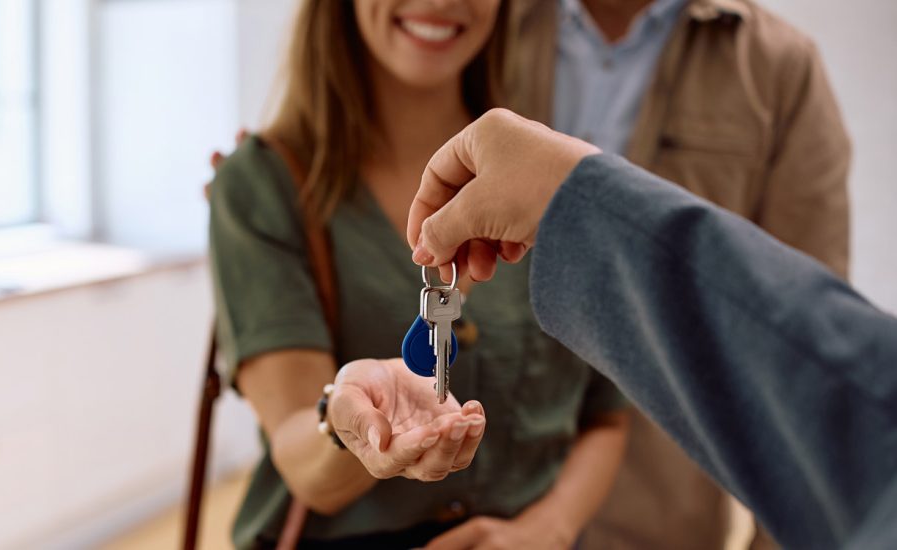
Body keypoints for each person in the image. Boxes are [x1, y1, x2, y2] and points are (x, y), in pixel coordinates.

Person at [325, 108, 897, 549]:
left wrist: (571, 196)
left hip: (668, 515)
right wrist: (336, 416)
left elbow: (813, 364)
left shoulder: (774, 64)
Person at [208, 1, 631, 547]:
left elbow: (606, 417)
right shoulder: (262, 185)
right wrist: (346, 420)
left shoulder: (556, 176)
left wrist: (549, 528)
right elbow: (303, 464)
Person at [502, 0, 853, 546]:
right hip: (476, 504)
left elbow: (803, 349)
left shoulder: (778, 67)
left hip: (657, 522)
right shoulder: (475, 20)